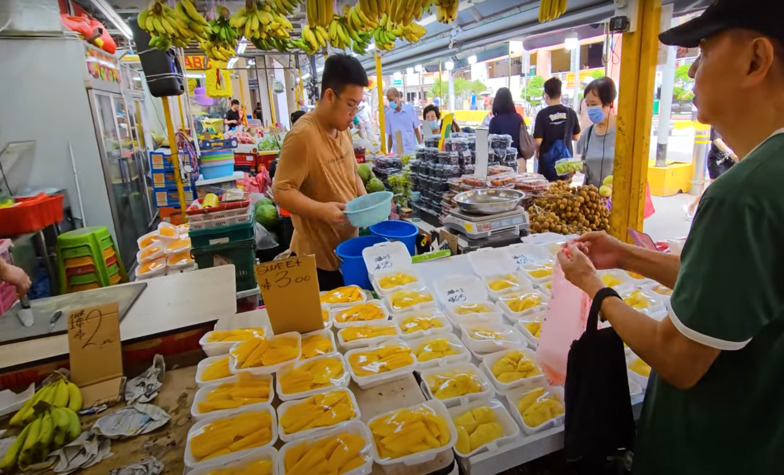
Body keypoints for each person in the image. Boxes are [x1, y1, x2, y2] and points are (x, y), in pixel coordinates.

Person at [557, 2, 784, 473]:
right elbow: (728, 285)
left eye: (702, 53)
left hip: (708, 448)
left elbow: (678, 359)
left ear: (756, 60)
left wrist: (596, 289)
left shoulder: (742, 195)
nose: (692, 74)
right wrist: (625, 255)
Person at [273, 54, 369, 291]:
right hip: (317, 263)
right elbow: (282, 190)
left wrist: (366, 202)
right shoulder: (302, 136)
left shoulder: (342, 128)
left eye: (357, 105)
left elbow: (352, 174)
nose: (353, 114)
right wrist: (322, 211)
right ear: (329, 96)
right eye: (350, 104)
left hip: (348, 253)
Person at [684, 127, 738, 219]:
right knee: (714, 184)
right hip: (718, 159)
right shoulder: (718, 120)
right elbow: (717, 140)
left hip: (732, 158)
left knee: (731, 184)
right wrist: (731, 153)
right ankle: (694, 206)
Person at [534, 77, 581, 181]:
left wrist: (536, 150)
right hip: (566, 165)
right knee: (564, 192)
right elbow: (576, 137)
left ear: (546, 95)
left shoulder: (542, 114)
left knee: (547, 194)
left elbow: (538, 141)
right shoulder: (570, 113)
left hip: (547, 166)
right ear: (560, 94)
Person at [576, 77, 618, 187]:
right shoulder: (588, 133)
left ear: (608, 103)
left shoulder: (622, 132)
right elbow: (585, 166)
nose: (590, 109)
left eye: (594, 104)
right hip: (592, 200)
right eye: (587, 105)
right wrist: (574, 168)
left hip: (616, 199)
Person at [489, 87, 532, 170]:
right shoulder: (518, 118)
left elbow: (491, 145)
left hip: (501, 165)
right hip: (519, 162)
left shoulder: (494, 121)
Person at [385, 87, 421, 154]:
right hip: (397, 153)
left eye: (391, 99)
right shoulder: (389, 115)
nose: (390, 102)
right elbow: (390, 136)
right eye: (389, 100)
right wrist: (389, 153)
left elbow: (416, 129)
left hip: (411, 151)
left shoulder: (410, 110)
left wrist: (421, 146)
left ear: (398, 97)